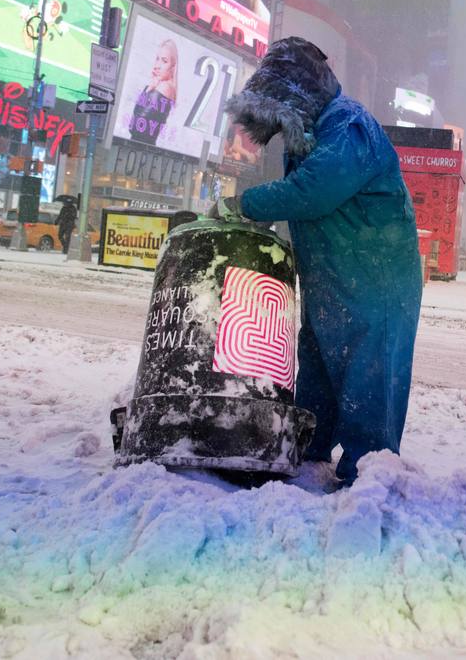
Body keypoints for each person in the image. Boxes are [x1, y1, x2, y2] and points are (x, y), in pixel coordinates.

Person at [212, 37, 421, 488]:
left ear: (298, 93)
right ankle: (309, 447)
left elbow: (313, 191)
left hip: (376, 283)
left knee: (370, 373)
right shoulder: (311, 130)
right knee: (321, 367)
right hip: (333, 279)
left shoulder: (347, 126)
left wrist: (245, 204)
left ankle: (368, 471)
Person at [127, 39, 178, 146]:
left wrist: (149, 89)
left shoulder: (164, 87)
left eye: (164, 61)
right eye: (157, 59)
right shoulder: (162, 86)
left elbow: (137, 125)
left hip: (139, 146)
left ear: (172, 67)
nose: (157, 65)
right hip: (142, 146)